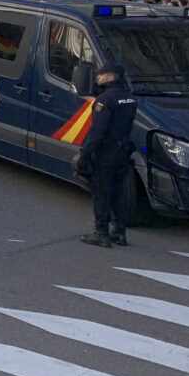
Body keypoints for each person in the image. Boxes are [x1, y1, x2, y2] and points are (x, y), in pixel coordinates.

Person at [75, 63, 138, 248]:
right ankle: (119, 232)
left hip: (106, 152)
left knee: (101, 192)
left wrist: (85, 154)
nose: (98, 76)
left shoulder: (104, 100)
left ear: (111, 77)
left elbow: (98, 132)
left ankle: (101, 233)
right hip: (123, 151)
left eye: (102, 74)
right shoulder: (130, 98)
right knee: (118, 193)